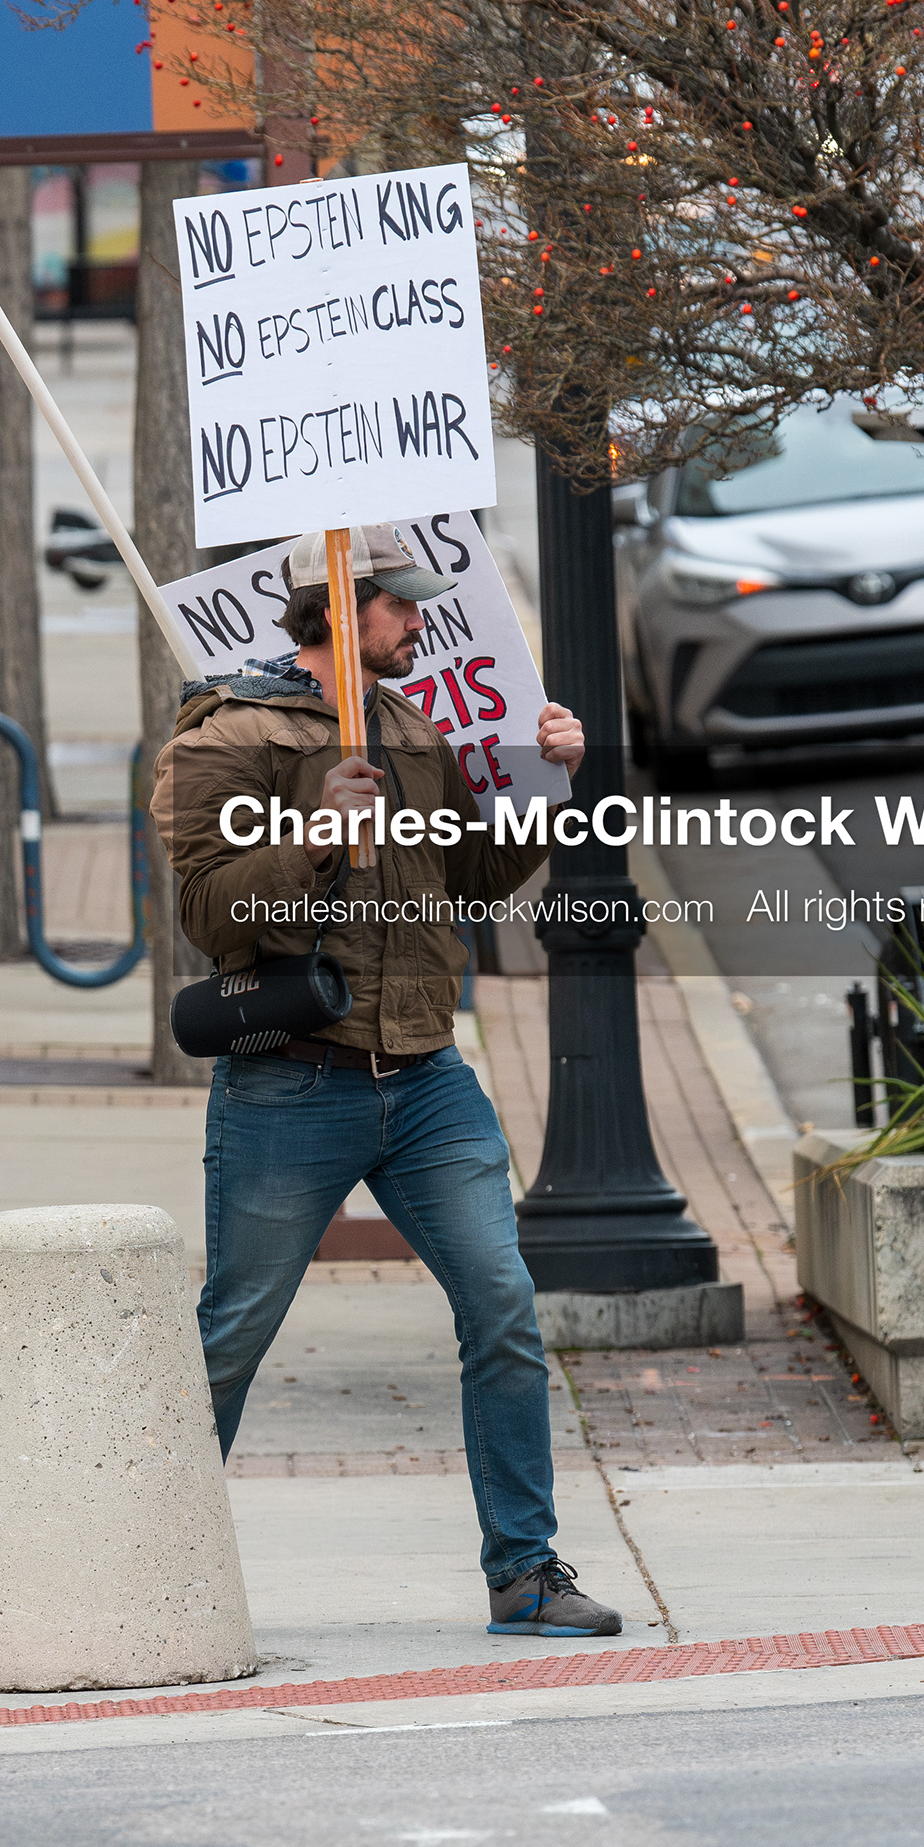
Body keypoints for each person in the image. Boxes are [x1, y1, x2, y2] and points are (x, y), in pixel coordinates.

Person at [150, 522, 620, 1638]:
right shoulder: (229, 735)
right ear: (336, 610)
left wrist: (556, 783)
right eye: (398, 605)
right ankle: (144, 1561)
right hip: (291, 1088)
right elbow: (210, 912)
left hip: (425, 1077)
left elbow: (470, 874)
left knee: (502, 1304)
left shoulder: (411, 724)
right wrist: (312, 838)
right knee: (232, 1332)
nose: (418, 620)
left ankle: (524, 1569)